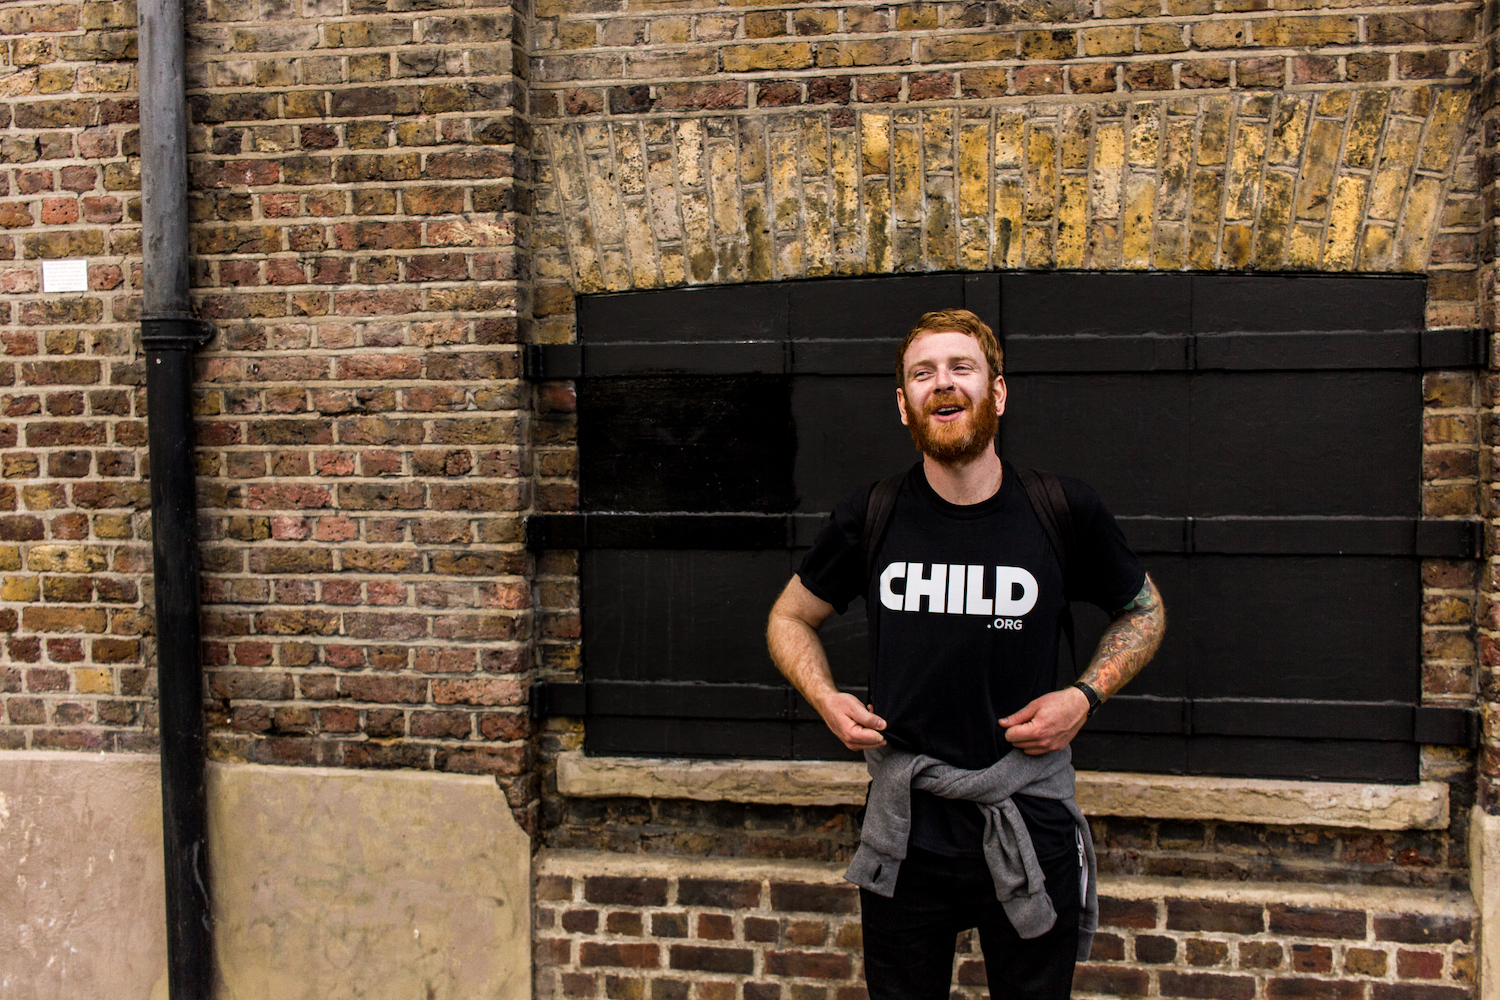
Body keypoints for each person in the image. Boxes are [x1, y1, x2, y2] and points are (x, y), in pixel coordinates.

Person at [765, 308, 1166, 1000]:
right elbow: (789, 617)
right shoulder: (873, 513)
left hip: (1029, 817)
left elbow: (1145, 610)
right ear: (903, 405)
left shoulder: (1058, 508)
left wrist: (1084, 695)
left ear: (997, 393)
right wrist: (825, 698)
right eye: (923, 374)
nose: (942, 385)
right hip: (907, 828)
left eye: (961, 368)